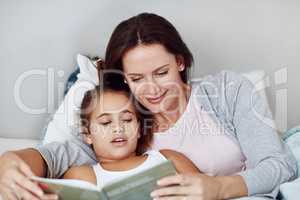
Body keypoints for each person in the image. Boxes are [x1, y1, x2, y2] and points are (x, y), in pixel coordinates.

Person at [0, 12, 297, 200]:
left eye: (161, 72)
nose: (152, 89)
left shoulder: (226, 91)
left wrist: (220, 188)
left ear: (180, 62)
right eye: (137, 78)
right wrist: (10, 162)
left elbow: (279, 164)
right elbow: (57, 155)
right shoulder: (123, 120)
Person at [63, 74, 200, 186]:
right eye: (106, 122)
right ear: (88, 135)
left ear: (139, 129)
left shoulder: (168, 158)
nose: (118, 128)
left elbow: (209, 192)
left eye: (127, 120)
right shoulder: (82, 176)